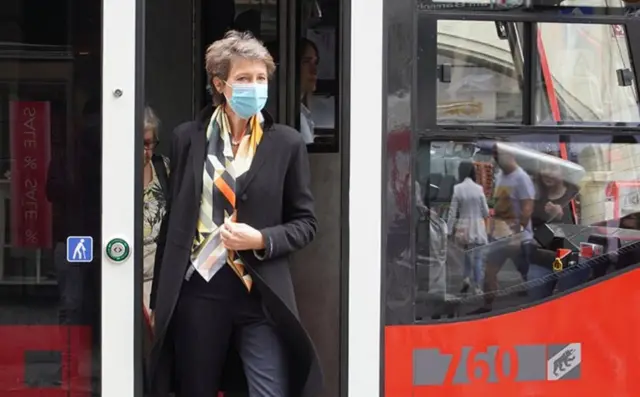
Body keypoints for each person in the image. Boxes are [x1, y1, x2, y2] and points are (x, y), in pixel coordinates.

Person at [147, 30, 322, 397]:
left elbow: (306, 223)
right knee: (195, 388)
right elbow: (174, 224)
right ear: (220, 84)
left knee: (269, 390)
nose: (254, 87)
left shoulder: (285, 144)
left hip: (259, 291)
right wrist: (156, 298)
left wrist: (261, 239)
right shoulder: (187, 138)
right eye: (243, 79)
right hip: (199, 290)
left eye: (261, 79)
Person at [480, 144, 536, 312]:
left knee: (528, 277)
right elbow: (499, 206)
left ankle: (534, 309)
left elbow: (527, 208)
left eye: (499, 154)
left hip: (520, 239)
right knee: (489, 271)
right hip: (500, 236)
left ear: (511, 155)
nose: (496, 158)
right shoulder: (500, 176)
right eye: (495, 154)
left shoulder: (522, 178)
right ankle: (487, 307)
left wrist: (516, 234)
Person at [142, 106, 170, 312]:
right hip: (119, 272)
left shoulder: (165, 168)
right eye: (139, 144)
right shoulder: (108, 173)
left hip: (158, 277)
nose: (145, 151)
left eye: (149, 144)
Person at [446, 161, 489, 295]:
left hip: (463, 226)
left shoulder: (457, 188)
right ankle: (477, 286)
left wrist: (448, 229)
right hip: (477, 226)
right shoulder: (479, 189)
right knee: (477, 258)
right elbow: (486, 212)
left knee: (466, 255)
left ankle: (465, 278)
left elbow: (453, 211)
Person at [299, 38, 319, 144]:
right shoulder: (296, 118)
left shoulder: (301, 112)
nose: (314, 70)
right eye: (306, 62)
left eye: (315, 63)